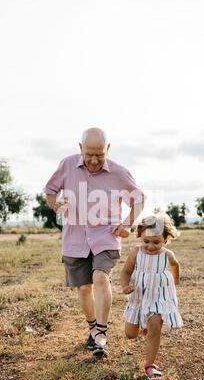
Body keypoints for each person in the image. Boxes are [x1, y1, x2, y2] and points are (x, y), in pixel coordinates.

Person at [43, 128, 145, 357]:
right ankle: (93, 331)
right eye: (89, 153)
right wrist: (55, 204)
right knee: (83, 288)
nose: (94, 159)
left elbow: (138, 200)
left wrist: (127, 224)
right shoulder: (67, 166)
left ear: (108, 149)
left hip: (106, 237)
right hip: (75, 238)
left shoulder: (119, 172)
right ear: (80, 148)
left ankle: (101, 335)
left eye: (100, 154)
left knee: (100, 277)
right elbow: (49, 191)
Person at [120, 213, 183, 380]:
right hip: (139, 296)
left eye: (156, 242)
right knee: (130, 334)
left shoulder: (167, 255)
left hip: (159, 296)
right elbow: (125, 271)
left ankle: (149, 365)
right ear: (140, 236)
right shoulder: (136, 252)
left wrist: (175, 281)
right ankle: (143, 328)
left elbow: (175, 266)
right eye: (146, 241)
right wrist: (125, 285)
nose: (150, 246)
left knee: (155, 327)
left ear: (165, 239)